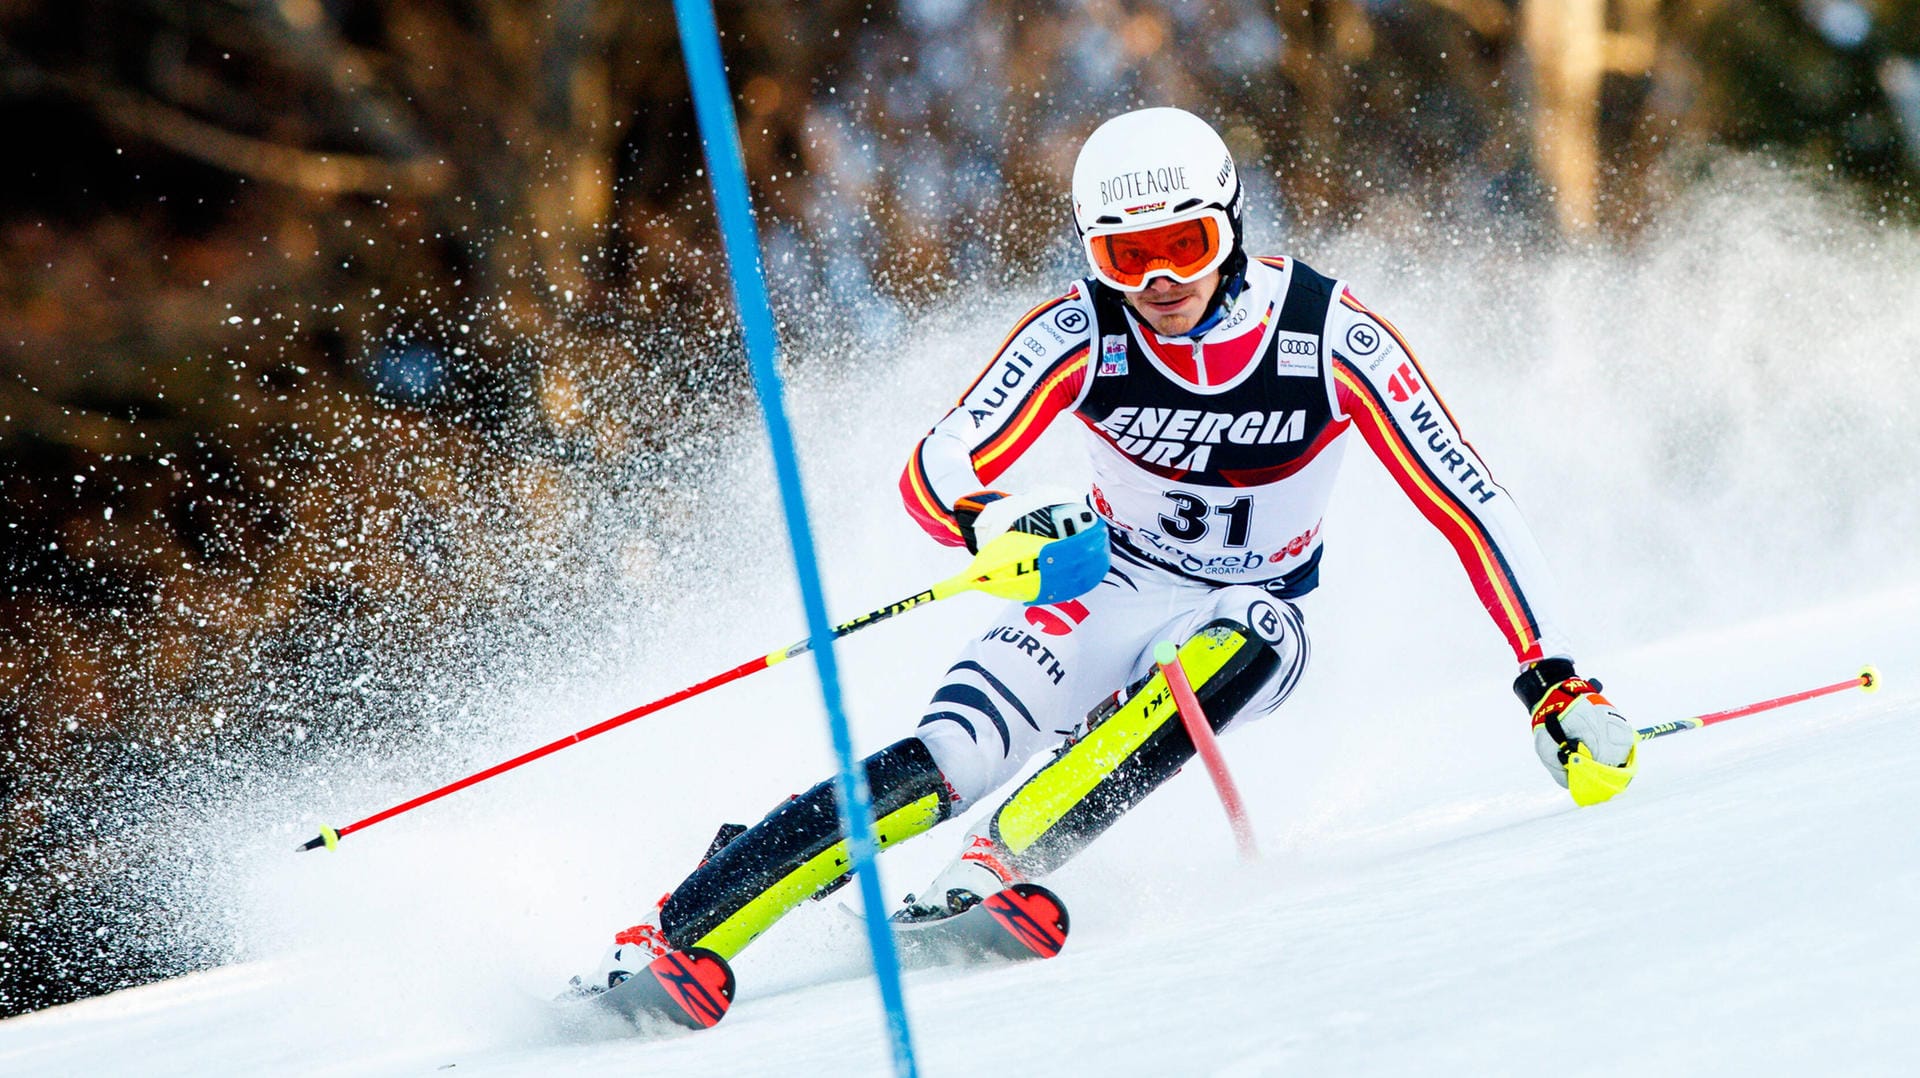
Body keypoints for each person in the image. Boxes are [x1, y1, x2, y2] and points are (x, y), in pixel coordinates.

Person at [574, 106, 1639, 989]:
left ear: (1230, 229)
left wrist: (1550, 677)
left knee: (1251, 631)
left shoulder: (1325, 335)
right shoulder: (1082, 332)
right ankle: (675, 929)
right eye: (1128, 255)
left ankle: (1001, 858)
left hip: (1245, 611)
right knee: (951, 757)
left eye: (1187, 246)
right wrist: (990, 519)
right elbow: (935, 464)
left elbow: (1468, 498)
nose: (1162, 279)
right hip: (1106, 591)